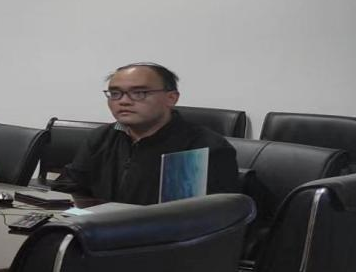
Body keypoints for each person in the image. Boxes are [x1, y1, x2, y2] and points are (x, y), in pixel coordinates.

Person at [53, 62, 239, 205]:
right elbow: (68, 186)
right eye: (115, 94)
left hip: (160, 239)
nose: (124, 101)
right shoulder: (102, 137)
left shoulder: (198, 147)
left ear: (171, 98)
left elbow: (192, 217)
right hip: (98, 231)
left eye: (139, 93)